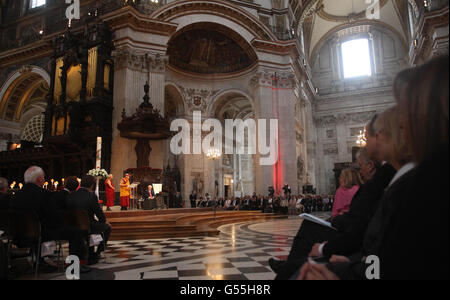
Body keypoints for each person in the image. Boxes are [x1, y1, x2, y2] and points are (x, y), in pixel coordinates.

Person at [298, 56, 449, 280]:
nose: (400, 123)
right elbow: (393, 258)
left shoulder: (427, 184)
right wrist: (354, 263)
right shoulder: (426, 176)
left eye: (406, 110)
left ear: (428, 115)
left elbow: (402, 268)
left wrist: (345, 274)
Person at [12, 167, 89, 273]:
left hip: (19, 234)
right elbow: (54, 216)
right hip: (42, 233)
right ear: (39, 179)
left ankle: (39, 261)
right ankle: (75, 266)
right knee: (76, 232)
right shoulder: (44, 194)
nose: (44, 180)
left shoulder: (16, 196)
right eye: (43, 177)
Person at [66, 175, 112, 265]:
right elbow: (100, 215)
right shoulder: (91, 196)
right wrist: (103, 221)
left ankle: (90, 252)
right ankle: (97, 253)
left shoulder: (71, 195)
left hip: (72, 225)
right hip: (88, 226)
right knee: (107, 227)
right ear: (91, 185)